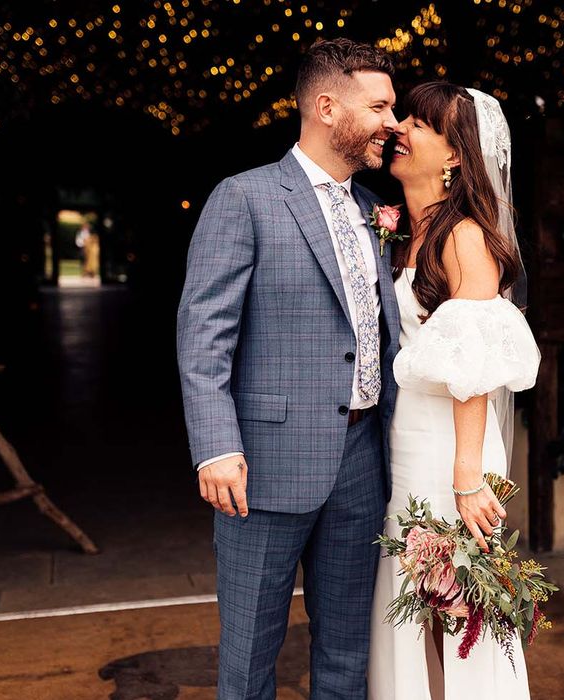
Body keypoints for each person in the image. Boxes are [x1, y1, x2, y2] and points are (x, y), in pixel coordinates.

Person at [176, 39, 400, 699]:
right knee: (249, 659)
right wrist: (215, 444)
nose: (392, 120)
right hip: (265, 463)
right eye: (380, 105)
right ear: (327, 107)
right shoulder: (242, 198)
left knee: (346, 653)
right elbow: (202, 332)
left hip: (362, 458)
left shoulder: (373, 209)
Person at [367, 82, 541, 699]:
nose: (400, 128)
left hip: (452, 449)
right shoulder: (398, 231)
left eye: (419, 122)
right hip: (405, 440)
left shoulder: (465, 236)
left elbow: (474, 364)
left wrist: (468, 475)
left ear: (455, 156)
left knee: (459, 606)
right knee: (414, 601)